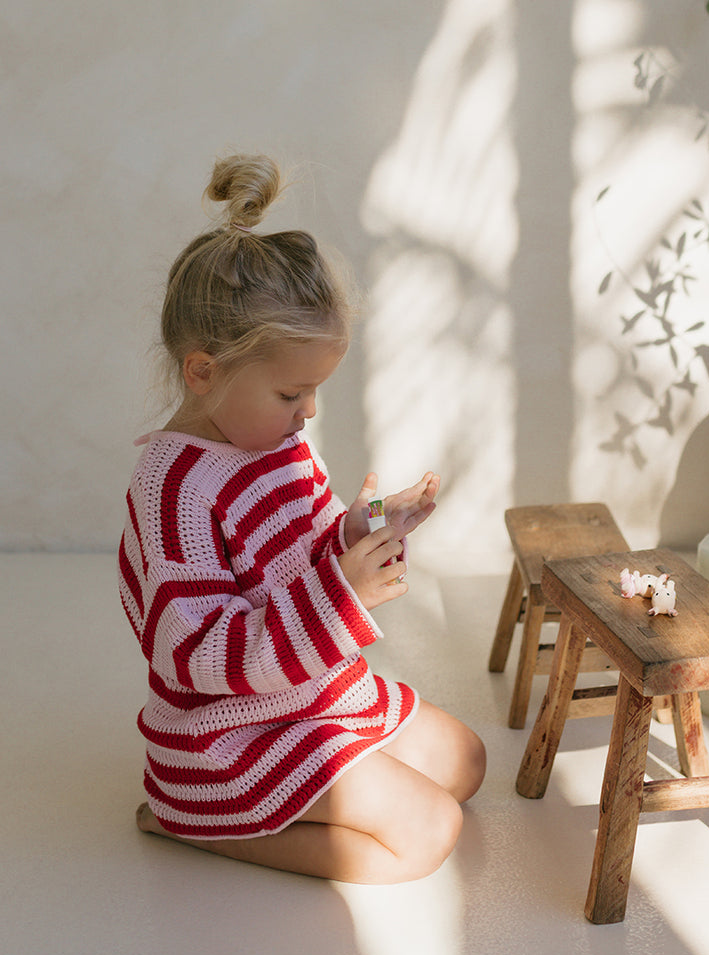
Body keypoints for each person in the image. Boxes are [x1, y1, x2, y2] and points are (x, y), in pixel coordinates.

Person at [119, 153, 485, 884]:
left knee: (466, 764)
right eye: (292, 392)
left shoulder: (274, 442)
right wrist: (343, 595)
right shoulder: (175, 492)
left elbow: (299, 549)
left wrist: (356, 533)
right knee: (427, 834)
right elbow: (197, 654)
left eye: (313, 391)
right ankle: (192, 820)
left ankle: (324, 783)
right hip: (228, 733)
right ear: (203, 372)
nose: (308, 413)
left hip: (307, 693)